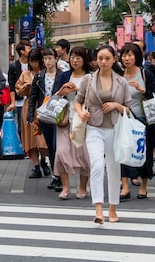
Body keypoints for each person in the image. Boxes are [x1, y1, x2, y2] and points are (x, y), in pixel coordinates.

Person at [76, 44, 131, 224]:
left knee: (114, 168)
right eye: (100, 58)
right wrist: (80, 112)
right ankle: (98, 208)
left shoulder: (121, 81)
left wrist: (116, 105)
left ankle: (113, 208)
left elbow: (128, 109)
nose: (103, 62)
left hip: (115, 128)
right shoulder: (88, 79)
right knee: (97, 165)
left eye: (107, 58)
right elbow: (78, 101)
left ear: (114, 59)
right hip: (94, 127)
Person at [53, 46, 92, 200]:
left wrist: (78, 90)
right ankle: (66, 187)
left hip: (83, 120)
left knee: (83, 154)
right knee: (61, 152)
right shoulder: (65, 75)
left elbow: (94, 98)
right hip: (65, 119)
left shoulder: (90, 77)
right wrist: (61, 92)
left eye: (78, 58)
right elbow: (56, 96)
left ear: (84, 60)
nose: (74, 60)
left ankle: (82, 188)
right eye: (72, 57)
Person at [119, 42, 155, 199]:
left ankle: (144, 185)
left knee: (143, 152)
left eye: (130, 55)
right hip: (123, 118)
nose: (126, 58)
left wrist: (143, 90)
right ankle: (125, 186)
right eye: (124, 55)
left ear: (137, 57)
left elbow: (154, 95)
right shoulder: (118, 75)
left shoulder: (144, 74)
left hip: (142, 119)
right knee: (123, 151)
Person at [28, 49, 62, 191]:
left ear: (55, 59)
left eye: (50, 58)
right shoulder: (39, 76)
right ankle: (56, 175)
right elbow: (33, 97)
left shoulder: (62, 75)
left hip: (59, 114)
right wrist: (30, 115)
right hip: (44, 114)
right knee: (50, 146)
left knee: (57, 145)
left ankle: (60, 176)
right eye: (45, 59)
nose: (48, 61)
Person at [17, 48, 49, 179]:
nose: (34, 64)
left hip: (43, 106)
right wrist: (24, 88)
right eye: (31, 61)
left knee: (43, 139)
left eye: (36, 61)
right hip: (29, 107)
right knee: (30, 138)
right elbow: (18, 90)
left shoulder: (46, 73)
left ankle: (44, 160)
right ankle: (36, 166)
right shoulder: (25, 74)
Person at [9, 42, 29, 140]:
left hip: (32, 99)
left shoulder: (33, 64)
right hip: (20, 101)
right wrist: (13, 102)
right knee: (22, 125)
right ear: (22, 51)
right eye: (28, 48)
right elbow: (12, 86)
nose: (30, 49)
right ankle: (23, 147)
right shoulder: (14, 66)